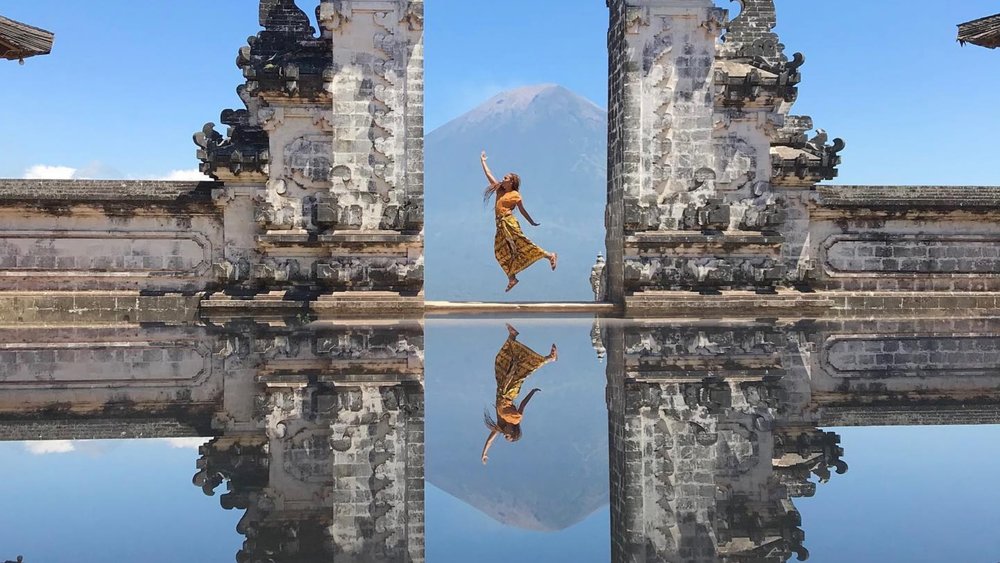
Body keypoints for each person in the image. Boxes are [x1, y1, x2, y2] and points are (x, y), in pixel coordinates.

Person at [480, 151, 557, 292]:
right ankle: (512, 278)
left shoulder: (515, 195)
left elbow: (522, 210)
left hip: (509, 222)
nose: (502, 179)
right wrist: (483, 161)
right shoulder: (499, 190)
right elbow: (489, 175)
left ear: (511, 182)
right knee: (500, 251)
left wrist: (531, 222)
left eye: (505, 178)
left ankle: (549, 255)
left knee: (522, 243)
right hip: (500, 225)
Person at [481, 323, 558, 464]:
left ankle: (512, 336)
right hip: (510, 392)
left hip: (500, 390)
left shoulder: (501, 424)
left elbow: (490, 439)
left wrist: (484, 453)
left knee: (501, 362)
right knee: (521, 371)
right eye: (508, 436)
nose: (505, 435)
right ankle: (549, 358)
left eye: (506, 437)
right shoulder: (516, 419)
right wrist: (532, 392)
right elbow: (522, 404)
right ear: (513, 433)